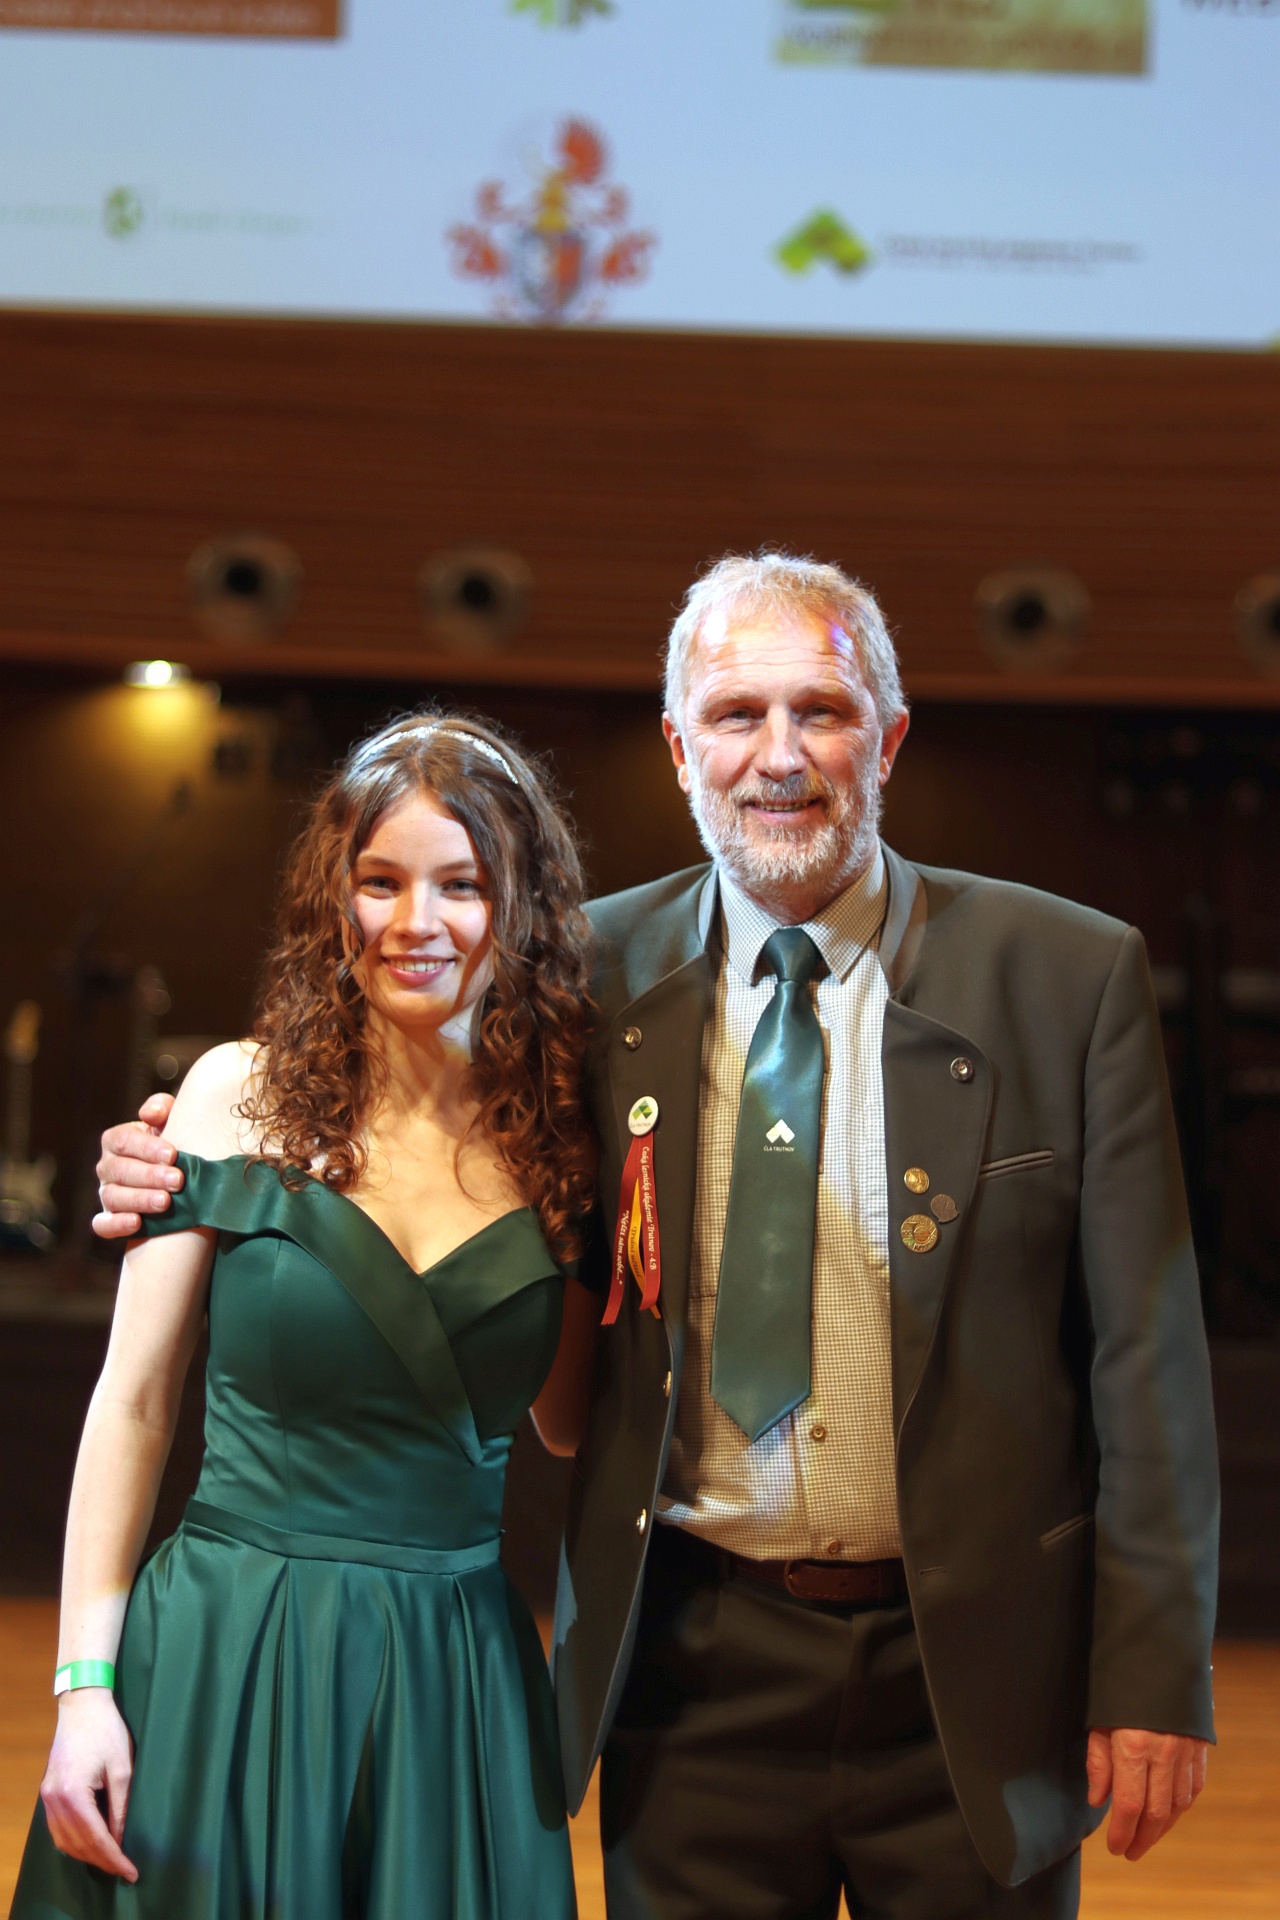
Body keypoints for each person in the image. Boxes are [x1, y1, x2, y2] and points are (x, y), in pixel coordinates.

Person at [94, 554, 1219, 1920]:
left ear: (888, 739)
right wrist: (178, 1158)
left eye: (822, 711)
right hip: (690, 1668)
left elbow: (1148, 1364)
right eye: (738, 715)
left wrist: (1154, 1671)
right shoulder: (581, 980)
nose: (779, 755)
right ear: (683, 751)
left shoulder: (1067, 975)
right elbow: (387, 1103)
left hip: (976, 1679)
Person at [17, 713, 602, 1920]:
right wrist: (83, 1686)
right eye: (379, 882)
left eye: (460, 885)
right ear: (333, 901)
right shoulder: (236, 1095)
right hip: (230, 1643)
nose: (414, 921)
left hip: (450, 1672)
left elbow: (567, 1422)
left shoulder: (561, 1137)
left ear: (521, 905)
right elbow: (134, 1403)